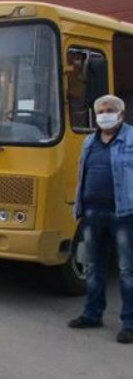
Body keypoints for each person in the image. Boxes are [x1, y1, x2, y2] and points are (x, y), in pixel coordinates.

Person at [69, 94, 133, 344]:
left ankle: (129, 323)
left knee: (127, 270)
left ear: (121, 114)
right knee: (94, 267)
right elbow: (82, 174)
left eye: (109, 110)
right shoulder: (88, 142)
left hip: (124, 213)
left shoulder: (130, 138)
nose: (104, 114)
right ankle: (92, 314)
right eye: (101, 111)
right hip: (92, 212)